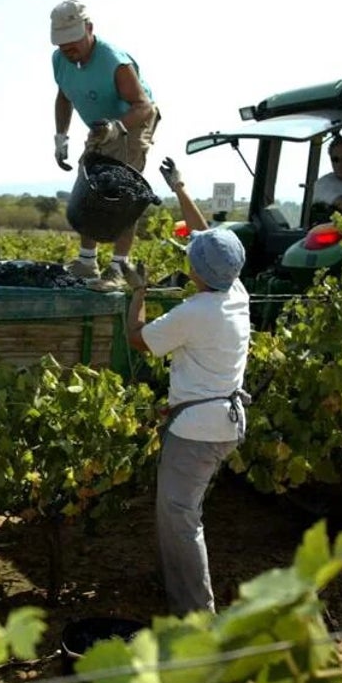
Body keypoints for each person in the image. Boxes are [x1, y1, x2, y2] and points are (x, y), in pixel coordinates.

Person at [124, 157, 251, 616]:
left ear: (198, 273)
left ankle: (198, 617)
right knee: (182, 513)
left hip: (197, 431)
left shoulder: (195, 312)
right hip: (224, 423)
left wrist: (137, 291)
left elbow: (137, 340)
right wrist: (179, 188)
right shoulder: (235, 293)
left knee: (181, 520)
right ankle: (181, 596)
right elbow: (206, 240)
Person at [50, 0, 160, 291]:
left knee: (122, 193)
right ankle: (87, 262)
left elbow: (144, 106)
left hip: (133, 121)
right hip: (101, 124)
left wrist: (117, 127)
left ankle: (118, 269)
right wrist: (61, 136)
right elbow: (64, 96)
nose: (68, 49)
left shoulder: (114, 61)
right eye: (62, 44)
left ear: (89, 29)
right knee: (90, 185)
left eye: (73, 41)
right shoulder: (60, 60)